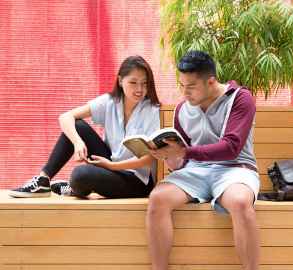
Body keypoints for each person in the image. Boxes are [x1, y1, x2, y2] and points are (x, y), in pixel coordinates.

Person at [147, 51, 260, 270]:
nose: (185, 93)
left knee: (240, 202)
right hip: (196, 172)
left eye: (191, 86)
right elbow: (183, 158)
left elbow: (231, 148)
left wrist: (184, 153)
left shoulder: (240, 99)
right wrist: (170, 157)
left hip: (235, 169)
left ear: (211, 81)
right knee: (157, 199)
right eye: (182, 86)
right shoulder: (182, 110)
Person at [9, 55, 160, 199]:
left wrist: (111, 166)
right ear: (120, 81)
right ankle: (43, 180)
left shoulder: (152, 111)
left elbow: (148, 159)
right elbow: (65, 117)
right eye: (133, 82)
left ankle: (73, 188)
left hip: (137, 180)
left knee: (80, 175)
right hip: (110, 165)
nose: (139, 89)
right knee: (77, 125)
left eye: (144, 83)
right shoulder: (110, 102)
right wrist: (77, 142)